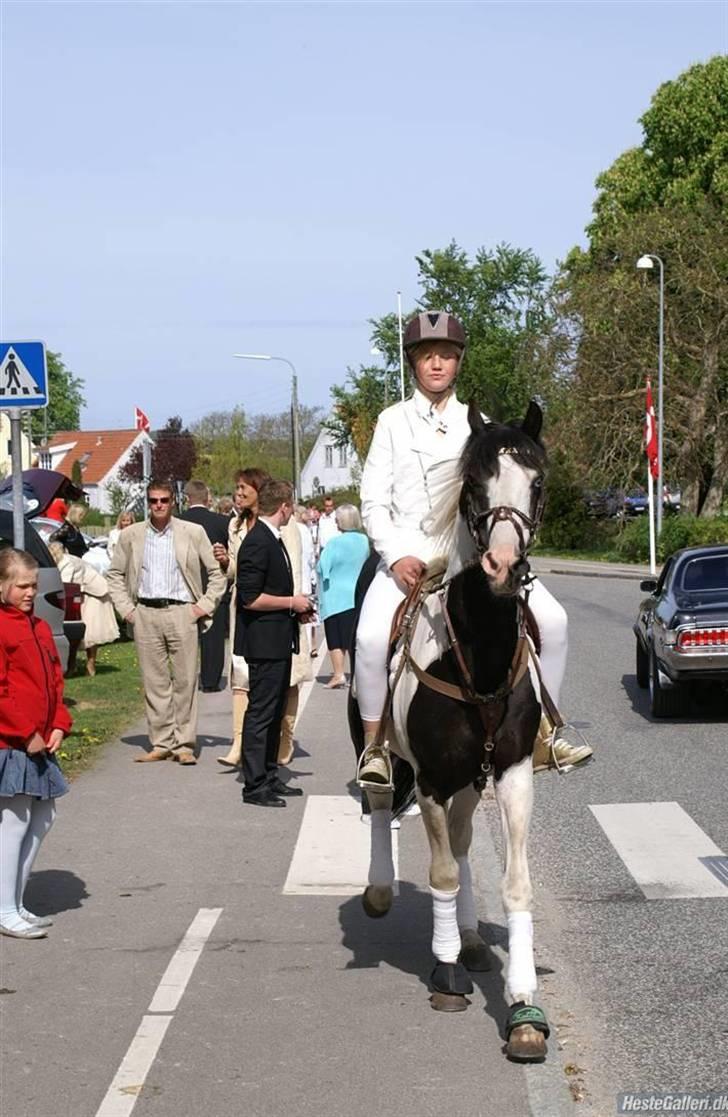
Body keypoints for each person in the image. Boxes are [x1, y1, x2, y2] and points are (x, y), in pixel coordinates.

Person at [355, 310, 593, 787]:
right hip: (409, 556)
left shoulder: (478, 427)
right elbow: (373, 501)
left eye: (446, 355)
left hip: (472, 558)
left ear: (459, 362)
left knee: (555, 621)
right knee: (369, 639)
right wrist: (396, 555)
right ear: (413, 364)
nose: (437, 365)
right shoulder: (393, 422)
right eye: (427, 357)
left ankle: (548, 729)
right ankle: (376, 746)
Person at [107, 479, 227, 765]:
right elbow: (114, 575)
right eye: (153, 501)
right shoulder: (131, 535)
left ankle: (184, 743)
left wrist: (202, 607)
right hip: (145, 613)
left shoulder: (192, 532)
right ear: (147, 503)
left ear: (174, 502)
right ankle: (161, 742)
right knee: (155, 682)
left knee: (186, 681)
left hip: (182, 612)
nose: (158, 505)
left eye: (163, 500)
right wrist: (127, 610)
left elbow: (217, 573)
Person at [217, 471, 312, 769]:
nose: (239, 493)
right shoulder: (248, 531)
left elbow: (290, 569)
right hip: (260, 626)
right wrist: (292, 603)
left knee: (275, 697)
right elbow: (250, 592)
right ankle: (254, 770)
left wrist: (298, 606)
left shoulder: (281, 532)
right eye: (237, 488)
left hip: (277, 624)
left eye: (244, 487)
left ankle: (271, 763)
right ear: (283, 505)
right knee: (257, 698)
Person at [0, 548, 72, 938]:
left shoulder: (40, 627)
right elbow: (1, 691)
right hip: (12, 741)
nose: (30, 593)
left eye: (34, 585)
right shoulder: (2, 626)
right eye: (21, 586)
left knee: (43, 816)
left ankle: (14, 900)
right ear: (2, 586)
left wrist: (59, 723)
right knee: (14, 820)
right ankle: (5, 908)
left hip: (41, 741)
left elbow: (56, 683)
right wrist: (25, 732)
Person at [181, 479, 230, 693]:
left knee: (185, 636)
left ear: (186, 498)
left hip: (185, 585)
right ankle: (211, 679)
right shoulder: (222, 522)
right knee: (214, 635)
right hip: (213, 584)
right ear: (207, 498)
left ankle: (187, 679)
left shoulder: (177, 521)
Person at [316, 503, 370, 688]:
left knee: (335, 638)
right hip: (356, 594)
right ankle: (356, 674)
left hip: (334, 596)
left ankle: (338, 674)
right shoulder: (364, 541)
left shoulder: (334, 542)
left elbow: (322, 566)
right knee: (353, 638)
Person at [48, 541, 120, 676]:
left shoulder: (66, 563)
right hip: (82, 593)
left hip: (96, 594)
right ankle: (72, 666)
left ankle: (90, 665)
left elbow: (65, 585)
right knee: (77, 632)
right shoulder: (63, 560)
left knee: (90, 631)